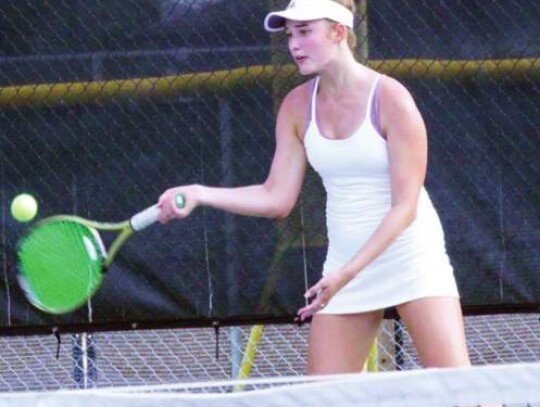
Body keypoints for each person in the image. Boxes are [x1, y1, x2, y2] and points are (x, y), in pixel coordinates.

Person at [157, 0, 471, 375]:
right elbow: (276, 197)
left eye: (305, 31)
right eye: (290, 34)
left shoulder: (393, 100)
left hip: (410, 256)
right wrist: (199, 193)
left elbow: (405, 208)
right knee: (325, 398)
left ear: (339, 32)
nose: (293, 44)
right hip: (344, 264)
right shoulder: (296, 106)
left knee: (463, 394)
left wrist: (345, 274)